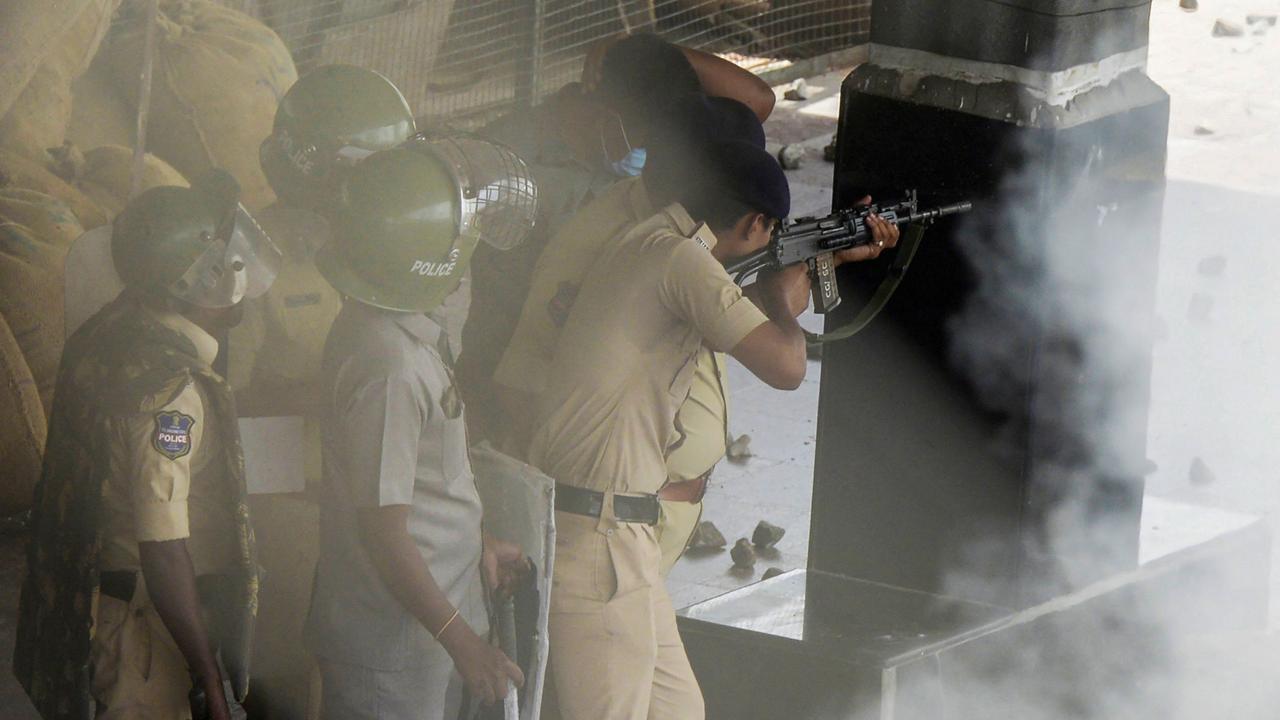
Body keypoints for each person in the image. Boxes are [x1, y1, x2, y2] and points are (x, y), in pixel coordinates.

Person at [526, 138, 899, 719]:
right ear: (755, 222)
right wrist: (782, 293)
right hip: (601, 536)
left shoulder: (653, 240)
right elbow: (785, 364)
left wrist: (826, 259)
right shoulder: (681, 262)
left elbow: (745, 303)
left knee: (679, 711)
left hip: (619, 533)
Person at [13, 171, 281, 720]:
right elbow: (162, 550)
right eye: (226, 262)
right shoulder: (170, 394)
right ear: (194, 282)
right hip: (147, 635)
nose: (239, 274)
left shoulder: (107, 330)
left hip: (98, 603)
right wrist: (209, 678)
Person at [493, 94, 768, 574]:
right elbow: (527, 384)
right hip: (610, 527)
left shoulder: (687, 242)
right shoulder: (612, 240)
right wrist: (612, 501)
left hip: (651, 520)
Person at [459, 33, 777, 442]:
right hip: (510, 367)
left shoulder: (629, 154)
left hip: (595, 382)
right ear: (608, 115)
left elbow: (756, 101)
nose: (652, 155)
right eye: (646, 139)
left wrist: (634, 50)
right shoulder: (503, 151)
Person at [305, 147, 530, 720]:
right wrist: (463, 643)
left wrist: (474, 546)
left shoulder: (394, 333)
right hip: (397, 649)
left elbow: (420, 483)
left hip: (426, 628)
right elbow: (384, 530)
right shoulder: (389, 368)